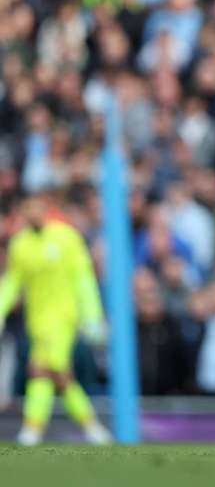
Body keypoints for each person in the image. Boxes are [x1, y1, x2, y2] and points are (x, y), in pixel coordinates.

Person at [0, 191, 112, 446]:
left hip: (64, 318)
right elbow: (12, 283)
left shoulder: (66, 238)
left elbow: (83, 277)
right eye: (28, 207)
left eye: (37, 206)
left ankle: (32, 428)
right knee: (55, 373)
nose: (33, 212)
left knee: (42, 367)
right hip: (37, 321)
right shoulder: (20, 245)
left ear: (46, 208)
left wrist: (92, 315)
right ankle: (91, 426)